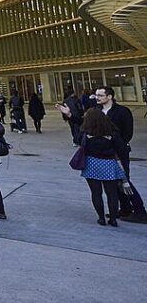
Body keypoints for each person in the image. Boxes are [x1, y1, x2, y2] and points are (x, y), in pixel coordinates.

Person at [62, 87, 146, 222]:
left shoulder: (122, 112)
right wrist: (70, 115)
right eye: (96, 95)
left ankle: (140, 211)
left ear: (110, 96)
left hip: (118, 153)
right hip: (102, 154)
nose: (97, 98)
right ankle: (125, 209)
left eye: (100, 95)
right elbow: (84, 125)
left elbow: (127, 133)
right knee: (113, 184)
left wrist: (117, 147)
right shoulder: (96, 110)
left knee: (124, 181)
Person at [77, 108, 129, 226]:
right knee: (112, 193)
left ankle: (101, 218)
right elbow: (121, 148)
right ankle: (113, 219)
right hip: (109, 164)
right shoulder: (112, 132)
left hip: (91, 164)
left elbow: (78, 141)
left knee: (96, 192)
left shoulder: (86, 132)